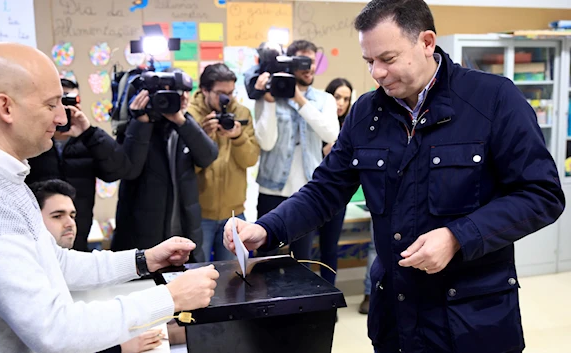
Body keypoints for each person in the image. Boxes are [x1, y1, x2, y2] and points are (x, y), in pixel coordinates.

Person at [224, 1, 566, 352]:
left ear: (427, 42)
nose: (376, 73)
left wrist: (457, 237)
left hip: (474, 320)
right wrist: (267, 228)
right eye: (368, 61)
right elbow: (325, 189)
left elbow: (541, 194)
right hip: (396, 317)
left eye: (387, 59)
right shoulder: (366, 114)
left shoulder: (494, 100)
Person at [0, 42, 219, 353]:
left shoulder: (5, 178)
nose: (62, 117)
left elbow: (56, 263)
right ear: (6, 107)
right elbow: (55, 330)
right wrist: (170, 297)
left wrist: (144, 260)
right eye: (50, 105)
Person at [30, 179, 164, 353]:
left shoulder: (54, 261)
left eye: (72, 215)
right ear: (32, 221)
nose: (70, 223)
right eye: (57, 216)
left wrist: (146, 259)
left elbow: (87, 266)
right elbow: (55, 337)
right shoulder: (28, 270)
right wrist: (118, 347)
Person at [111, 68, 219, 262]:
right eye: (176, 92)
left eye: (186, 91)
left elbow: (208, 156)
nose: (183, 97)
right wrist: (141, 122)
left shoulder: (185, 124)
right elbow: (129, 169)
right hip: (143, 238)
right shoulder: (135, 125)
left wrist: (181, 121)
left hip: (184, 232)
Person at [253, 39, 340, 261]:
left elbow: (331, 135)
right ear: (288, 63)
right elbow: (266, 142)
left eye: (311, 61)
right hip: (272, 189)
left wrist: (299, 99)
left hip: (307, 192)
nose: (308, 67)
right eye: (301, 61)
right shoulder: (270, 95)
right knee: (265, 259)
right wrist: (270, 101)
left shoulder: (324, 99)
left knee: (301, 261)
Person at [25, 76, 135, 251]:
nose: (63, 111)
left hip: (77, 234)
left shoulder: (89, 140)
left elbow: (119, 170)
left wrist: (89, 133)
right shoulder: (33, 141)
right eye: (55, 104)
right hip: (34, 238)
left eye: (70, 102)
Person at [188, 63, 260, 261]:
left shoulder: (242, 113)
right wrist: (204, 137)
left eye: (231, 92)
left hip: (234, 213)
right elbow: (184, 168)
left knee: (232, 278)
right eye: (221, 93)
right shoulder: (189, 116)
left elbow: (250, 159)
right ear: (204, 90)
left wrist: (237, 138)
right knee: (198, 273)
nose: (226, 99)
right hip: (200, 214)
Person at [317, 78, 353, 286]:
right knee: (303, 252)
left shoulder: (349, 128)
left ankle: (329, 299)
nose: (341, 103)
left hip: (337, 199)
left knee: (330, 250)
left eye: (346, 99)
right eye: (337, 97)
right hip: (313, 195)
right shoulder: (318, 124)